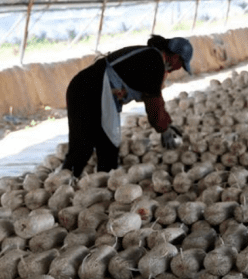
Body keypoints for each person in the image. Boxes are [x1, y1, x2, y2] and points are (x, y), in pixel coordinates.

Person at [62, 35, 193, 176]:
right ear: (176, 57)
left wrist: (167, 123)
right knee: (99, 144)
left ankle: (80, 181)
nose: (178, 69)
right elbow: (153, 103)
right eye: (182, 64)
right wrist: (163, 128)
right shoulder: (153, 61)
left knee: (92, 144)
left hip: (86, 88)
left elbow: (156, 99)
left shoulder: (152, 56)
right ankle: (81, 183)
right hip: (90, 90)